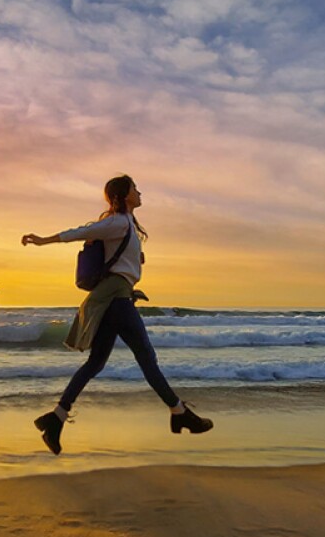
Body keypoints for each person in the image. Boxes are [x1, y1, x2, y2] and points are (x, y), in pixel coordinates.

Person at [21, 174, 212, 455]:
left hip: (118, 297)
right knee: (147, 359)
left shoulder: (129, 226)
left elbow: (120, 267)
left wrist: (131, 285)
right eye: (135, 188)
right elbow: (81, 232)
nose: (139, 191)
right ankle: (179, 412)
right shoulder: (118, 222)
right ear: (123, 195)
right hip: (116, 301)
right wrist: (43, 240)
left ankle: (57, 418)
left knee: (96, 363)